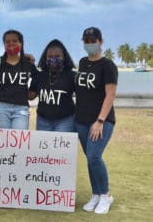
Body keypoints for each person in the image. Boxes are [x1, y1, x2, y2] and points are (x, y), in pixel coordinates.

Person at [75, 26, 118, 214]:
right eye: (87, 41)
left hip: (101, 121)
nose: (90, 44)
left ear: (101, 42)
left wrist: (100, 121)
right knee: (90, 158)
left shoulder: (108, 65)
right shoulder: (83, 62)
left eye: (93, 41)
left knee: (94, 156)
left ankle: (106, 195)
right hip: (81, 120)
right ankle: (96, 193)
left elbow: (110, 95)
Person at [0, 29, 38, 130]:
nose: (11, 44)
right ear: (4, 44)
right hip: (0, 107)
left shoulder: (28, 63)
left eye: (15, 41)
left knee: (19, 142)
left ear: (21, 43)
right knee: (3, 142)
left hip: (21, 108)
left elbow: (37, 78)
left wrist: (32, 93)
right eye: (7, 41)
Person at [29, 39, 76, 132]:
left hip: (65, 121)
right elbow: (31, 96)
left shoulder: (72, 76)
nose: (53, 59)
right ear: (45, 58)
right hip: (43, 121)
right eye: (50, 56)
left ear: (64, 57)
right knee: (43, 147)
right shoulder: (40, 76)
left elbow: (84, 96)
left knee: (62, 147)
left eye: (57, 56)